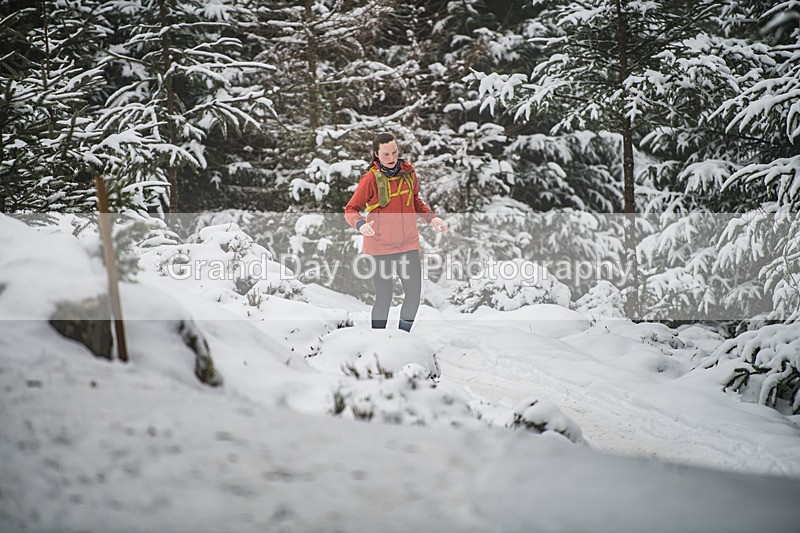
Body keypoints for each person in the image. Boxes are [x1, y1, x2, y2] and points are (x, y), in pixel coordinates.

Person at [344, 133, 447, 332]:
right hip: (378, 247)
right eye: (385, 155)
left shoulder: (409, 173)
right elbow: (351, 209)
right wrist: (359, 225)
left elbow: (415, 201)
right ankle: (377, 340)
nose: (391, 158)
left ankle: (402, 338)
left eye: (394, 152)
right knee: (384, 296)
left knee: (413, 294)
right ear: (376, 154)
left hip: (407, 244)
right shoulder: (371, 179)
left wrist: (432, 218)